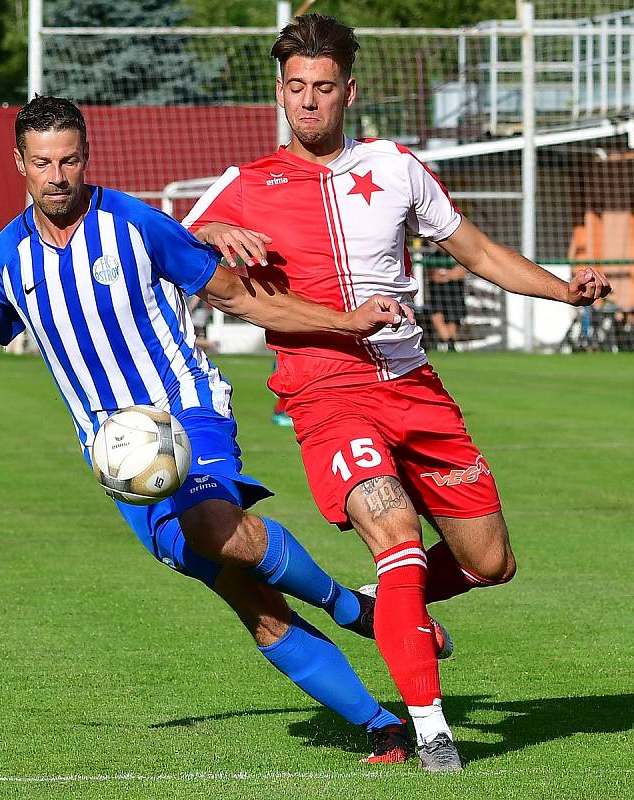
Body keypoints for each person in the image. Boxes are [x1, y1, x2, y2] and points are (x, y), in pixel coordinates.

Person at [0, 95, 429, 764]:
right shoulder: (2, 261)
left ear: (86, 157)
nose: (58, 175)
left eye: (69, 159)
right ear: (19, 164)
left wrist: (345, 320)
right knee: (253, 602)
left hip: (184, 408)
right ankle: (383, 725)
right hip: (118, 459)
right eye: (42, 163)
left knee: (208, 525)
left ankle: (351, 609)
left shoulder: (134, 223)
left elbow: (238, 295)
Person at [182, 14, 611, 772]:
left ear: (350, 91)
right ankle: (430, 728)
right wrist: (212, 234)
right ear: (280, 92)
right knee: (396, 528)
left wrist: (564, 290)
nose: (306, 103)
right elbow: (173, 247)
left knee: (489, 562)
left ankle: (388, 608)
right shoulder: (244, 184)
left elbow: (474, 249)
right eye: (294, 89)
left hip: (413, 383)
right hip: (324, 389)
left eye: (321, 88)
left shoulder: (396, 164)